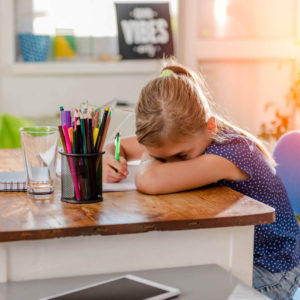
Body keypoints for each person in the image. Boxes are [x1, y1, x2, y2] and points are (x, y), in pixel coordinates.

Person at [103, 61, 300, 299]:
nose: (174, 163)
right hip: (232, 252)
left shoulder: (230, 153)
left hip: (273, 271)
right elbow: (118, 146)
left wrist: (149, 156)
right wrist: (109, 157)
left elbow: (150, 181)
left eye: (182, 156)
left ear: (210, 127)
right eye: (162, 157)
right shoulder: (185, 136)